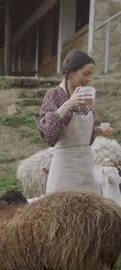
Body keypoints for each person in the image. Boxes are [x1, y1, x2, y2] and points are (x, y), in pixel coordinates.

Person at [38, 49, 114, 194]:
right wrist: (69, 104)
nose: (89, 79)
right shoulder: (54, 96)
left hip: (86, 167)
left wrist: (98, 132)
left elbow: (84, 137)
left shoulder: (85, 97)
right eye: (86, 74)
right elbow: (48, 134)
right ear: (71, 72)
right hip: (64, 171)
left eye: (91, 74)